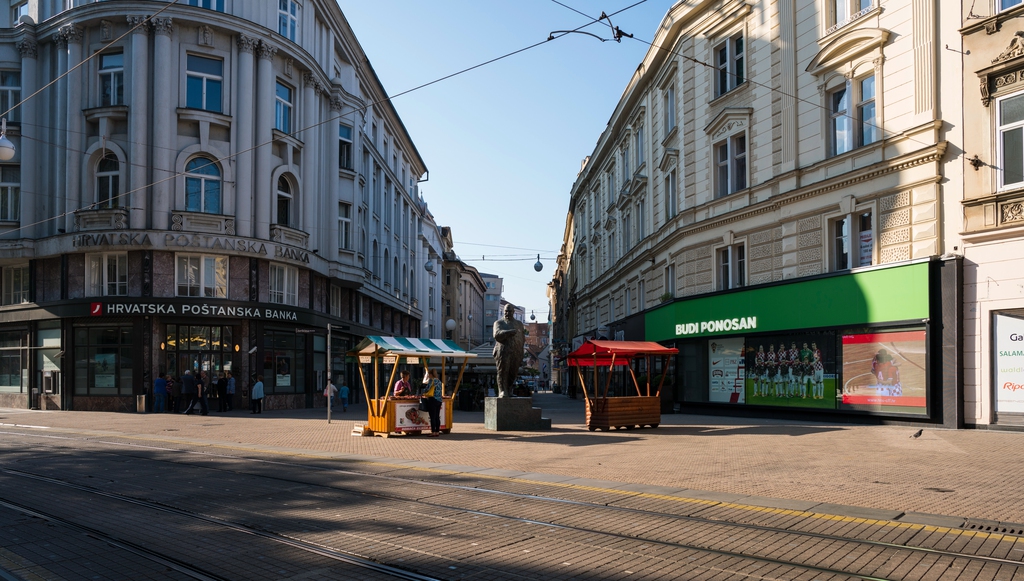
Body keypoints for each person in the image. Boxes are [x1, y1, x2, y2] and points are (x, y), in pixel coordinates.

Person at [492, 303, 526, 398]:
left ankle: (509, 390)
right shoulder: (499, 323)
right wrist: (508, 332)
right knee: (503, 371)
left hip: (516, 351)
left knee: (513, 372)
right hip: (503, 351)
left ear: (513, 312)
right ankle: (502, 391)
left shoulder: (519, 324)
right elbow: (496, 335)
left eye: (509, 311)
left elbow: (522, 338)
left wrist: (522, 352)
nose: (507, 313)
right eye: (506, 311)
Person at [421, 368, 443, 436]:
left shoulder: (432, 380)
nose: (428, 376)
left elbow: (427, 388)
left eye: (428, 375)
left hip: (432, 399)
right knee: (437, 416)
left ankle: (433, 432)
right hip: (439, 400)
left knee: (432, 416)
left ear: (431, 374)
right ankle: (437, 431)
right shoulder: (439, 381)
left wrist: (423, 392)